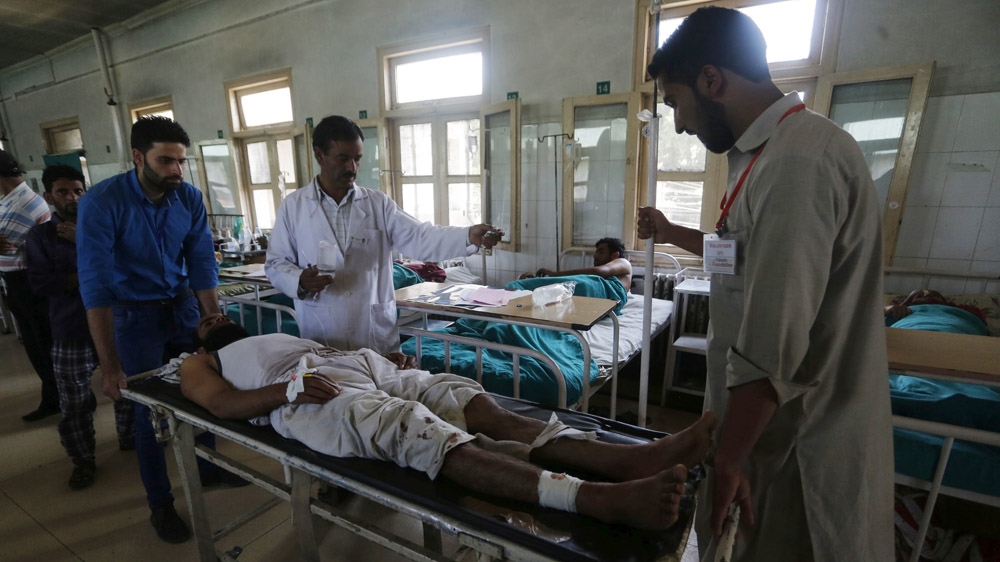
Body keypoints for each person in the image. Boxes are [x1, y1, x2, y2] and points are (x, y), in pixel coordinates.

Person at [636, 7, 893, 561]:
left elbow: (773, 340)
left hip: (794, 445)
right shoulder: (766, 155)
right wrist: (671, 229)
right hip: (761, 433)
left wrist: (730, 458)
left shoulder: (799, 164)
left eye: (676, 100)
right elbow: (743, 259)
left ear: (712, 79)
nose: (678, 122)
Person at [182, 313, 718, 531]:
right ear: (201, 338)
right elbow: (224, 407)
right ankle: (592, 498)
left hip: (348, 366)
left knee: (469, 400)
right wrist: (289, 388)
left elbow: (329, 350)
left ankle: (635, 458)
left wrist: (388, 364)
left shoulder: (273, 330)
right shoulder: (200, 362)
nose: (214, 316)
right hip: (300, 398)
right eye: (205, 320)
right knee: (418, 431)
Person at [77, 116, 240, 544]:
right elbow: (95, 287)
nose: (176, 171)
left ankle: (208, 468)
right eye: (166, 161)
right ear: (137, 158)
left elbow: (202, 260)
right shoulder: (102, 202)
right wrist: (109, 366)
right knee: (150, 411)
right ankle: (160, 503)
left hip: (183, 308)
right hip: (135, 317)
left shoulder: (186, 198)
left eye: (181, 162)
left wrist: (212, 322)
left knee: (206, 392)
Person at [265, 115, 503, 355]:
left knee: (380, 387)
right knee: (333, 387)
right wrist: (300, 280)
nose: (352, 168)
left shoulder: (377, 204)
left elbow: (420, 237)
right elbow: (275, 263)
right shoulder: (294, 207)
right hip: (321, 327)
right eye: (343, 159)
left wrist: (467, 236)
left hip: (372, 329)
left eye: (357, 159)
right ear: (319, 155)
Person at [24, 165, 135, 490]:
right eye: (62, 192)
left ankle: (129, 437)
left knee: (126, 389)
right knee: (74, 403)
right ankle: (83, 459)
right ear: (48, 197)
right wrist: (90, 268)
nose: (72, 198)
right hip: (70, 330)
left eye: (77, 190)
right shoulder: (40, 237)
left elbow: (125, 269)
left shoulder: (104, 229)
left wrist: (84, 240)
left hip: (113, 326)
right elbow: (42, 284)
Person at [0, 149, 59, 421]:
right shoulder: (10, 200)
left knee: (42, 344)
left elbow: (6, 245)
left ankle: (58, 397)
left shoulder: (23, 204)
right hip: (19, 282)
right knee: (37, 345)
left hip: (28, 283)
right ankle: (55, 395)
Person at [519, 237, 632, 289]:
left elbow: (599, 272)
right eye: (596, 252)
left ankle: (530, 285)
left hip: (602, 298)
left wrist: (553, 274)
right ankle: (532, 283)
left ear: (615, 255)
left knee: (519, 286)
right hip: (591, 296)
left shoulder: (623, 262)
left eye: (601, 252)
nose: (595, 256)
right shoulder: (595, 277)